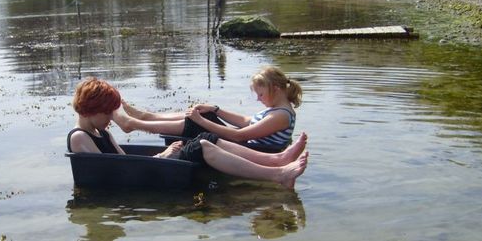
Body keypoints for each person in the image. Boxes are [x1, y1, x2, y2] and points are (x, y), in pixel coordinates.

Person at [68, 77, 308, 188]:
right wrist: (164, 156)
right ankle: (276, 174)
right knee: (203, 144)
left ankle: (276, 161)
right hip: (148, 176)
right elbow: (116, 172)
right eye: (107, 113)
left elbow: (123, 162)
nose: (110, 119)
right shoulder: (80, 138)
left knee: (206, 138)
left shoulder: (103, 134)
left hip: (149, 169)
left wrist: (162, 156)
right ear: (91, 111)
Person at [112, 66, 302, 150]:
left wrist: (201, 121)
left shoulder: (281, 116)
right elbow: (246, 122)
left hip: (249, 149)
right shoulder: (276, 110)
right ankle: (148, 117)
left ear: (276, 89)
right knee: (205, 114)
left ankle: (134, 124)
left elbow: (239, 135)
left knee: (198, 123)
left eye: (261, 95)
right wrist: (215, 109)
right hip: (245, 145)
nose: (259, 99)